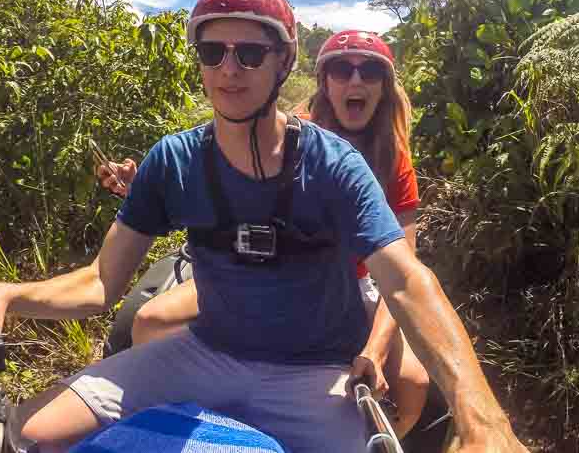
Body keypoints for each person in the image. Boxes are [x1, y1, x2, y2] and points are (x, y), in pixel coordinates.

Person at [0, 0, 527, 453]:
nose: (229, 69)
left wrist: (483, 418)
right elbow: (101, 282)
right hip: (208, 352)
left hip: (314, 372)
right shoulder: (174, 160)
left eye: (249, 51)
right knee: (24, 434)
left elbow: (405, 277)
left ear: (282, 62)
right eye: (213, 51)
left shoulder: (334, 163)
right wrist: (4, 294)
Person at [101, 29, 431, 438]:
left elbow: (401, 269)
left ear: (385, 87)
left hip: (354, 285)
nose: (355, 81)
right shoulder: (289, 135)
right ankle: (188, 425)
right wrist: (143, 187)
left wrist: (375, 349)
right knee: (149, 319)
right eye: (342, 69)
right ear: (325, 83)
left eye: (370, 72)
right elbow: (221, 175)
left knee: (414, 384)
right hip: (263, 268)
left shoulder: (393, 161)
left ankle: (374, 440)